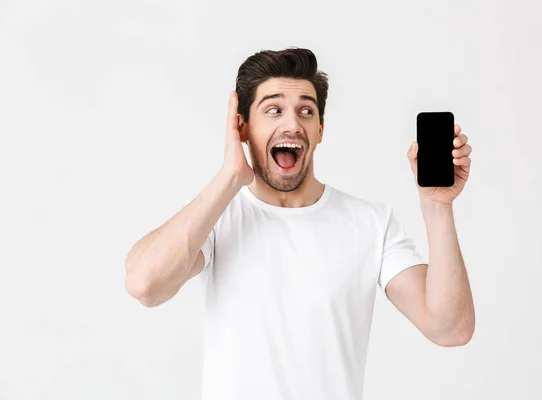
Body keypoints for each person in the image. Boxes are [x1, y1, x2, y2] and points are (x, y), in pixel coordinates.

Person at [124, 47, 475, 400]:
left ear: (320, 129)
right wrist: (230, 177)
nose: (292, 124)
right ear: (242, 127)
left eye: (306, 111)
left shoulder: (370, 223)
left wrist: (436, 206)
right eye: (273, 110)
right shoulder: (215, 216)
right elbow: (145, 285)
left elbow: (451, 328)